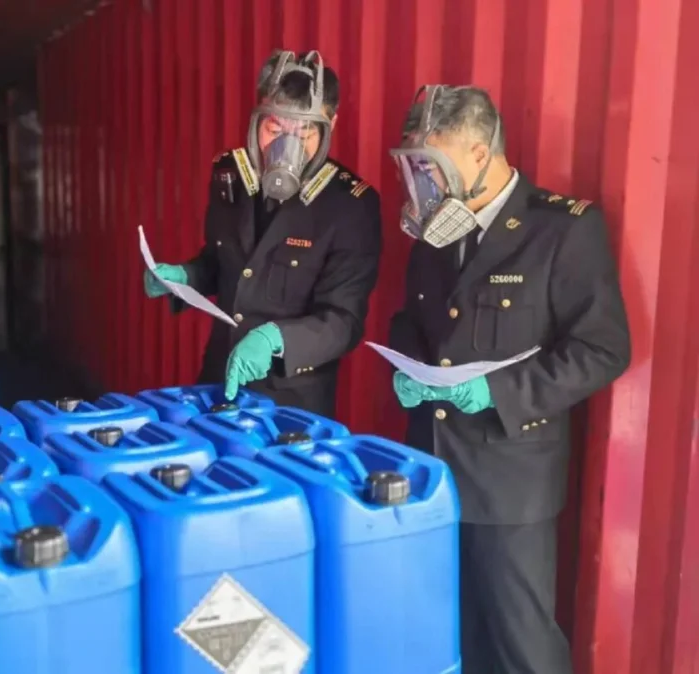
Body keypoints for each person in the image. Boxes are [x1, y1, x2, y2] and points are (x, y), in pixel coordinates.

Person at [387, 85, 631, 674]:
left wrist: (498, 393)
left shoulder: (561, 230)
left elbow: (603, 350)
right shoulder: (438, 227)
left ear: (479, 153)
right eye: (416, 167)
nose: (423, 182)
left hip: (510, 481)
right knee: (446, 636)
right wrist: (405, 368)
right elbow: (412, 321)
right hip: (433, 468)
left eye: (433, 165)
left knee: (521, 647)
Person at [143, 50, 382, 418]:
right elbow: (222, 263)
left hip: (289, 404)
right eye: (274, 129)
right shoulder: (231, 175)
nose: (286, 147)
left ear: (330, 125)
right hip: (218, 382)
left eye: (304, 132)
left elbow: (343, 322)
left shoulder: (349, 206)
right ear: (256, 120)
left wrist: (278, 340)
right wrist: (185, 277)